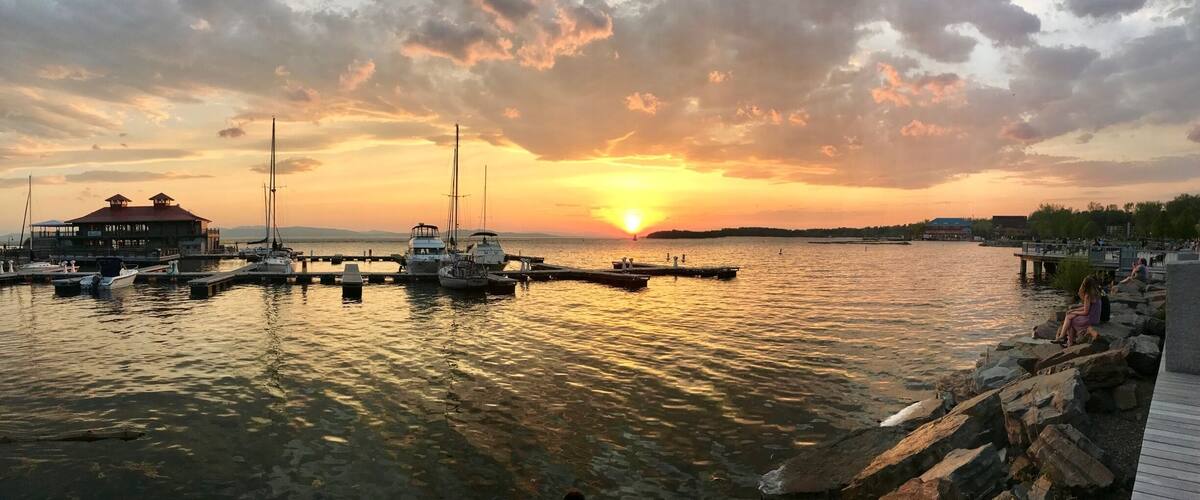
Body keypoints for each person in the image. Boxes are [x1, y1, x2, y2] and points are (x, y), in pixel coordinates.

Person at [1056, 275, 1102, 346]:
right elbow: (1087, 307)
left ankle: (1065, 338)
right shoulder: (1097, 292)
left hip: (1090, 319)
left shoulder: (1088, 295)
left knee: (1070, 318)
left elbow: (1085, 312)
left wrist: (1074, 312)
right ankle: (1068, 340)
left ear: (1085, 285)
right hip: (1096, 317)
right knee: (1070, 316)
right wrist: (1074, 310)